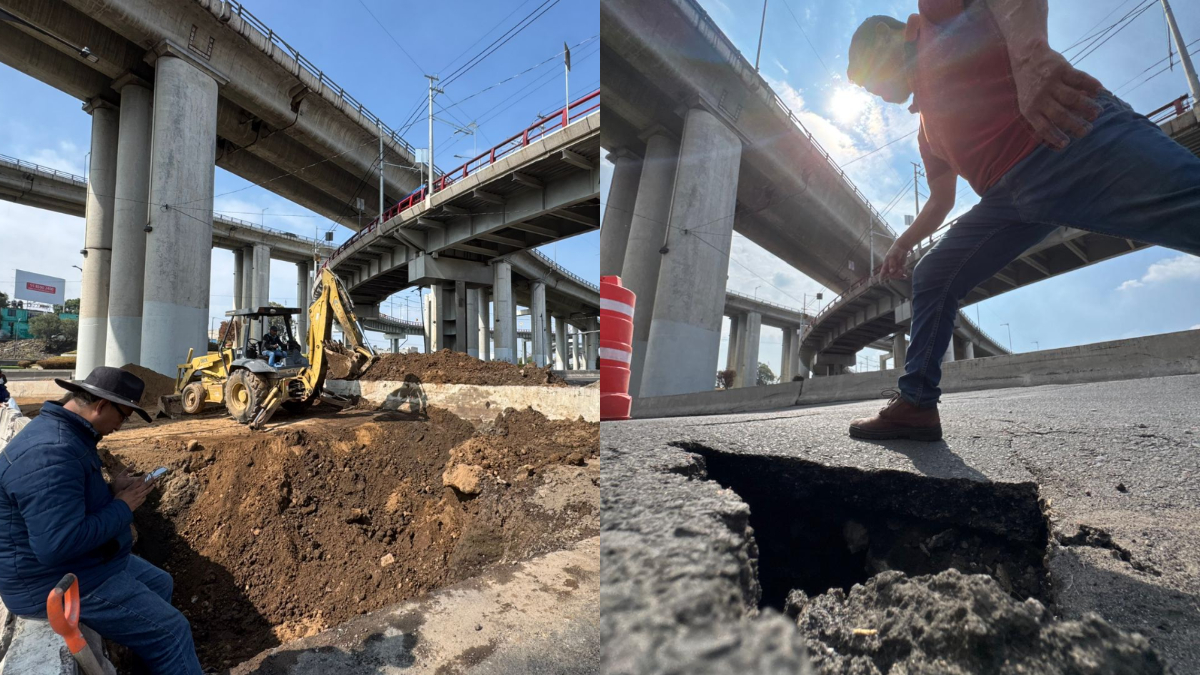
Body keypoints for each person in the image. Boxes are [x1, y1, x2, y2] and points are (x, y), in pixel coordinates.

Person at [843, 0, 1200, 441]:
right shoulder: (927, 132)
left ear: (889, 38)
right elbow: (940, 201)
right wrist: (903, 242)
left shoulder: (935, 16)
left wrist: (1031, 60)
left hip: (1072, 140)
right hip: (1010, 202)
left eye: (868, 78)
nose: (874, 93)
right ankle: (916, 405)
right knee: (934, 272)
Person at [0, 367, 204, 673]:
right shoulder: (51, 453)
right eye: (123, 416)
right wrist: (123, 506)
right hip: (50, 582)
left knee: (161, 581)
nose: (121, 426)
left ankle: (152, 664)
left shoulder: (68, 436)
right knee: (172, 631)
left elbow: (66, 506)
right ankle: (166, 653)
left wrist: (111, 492)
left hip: (79, 565)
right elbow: (57, 545)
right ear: (101, 405)